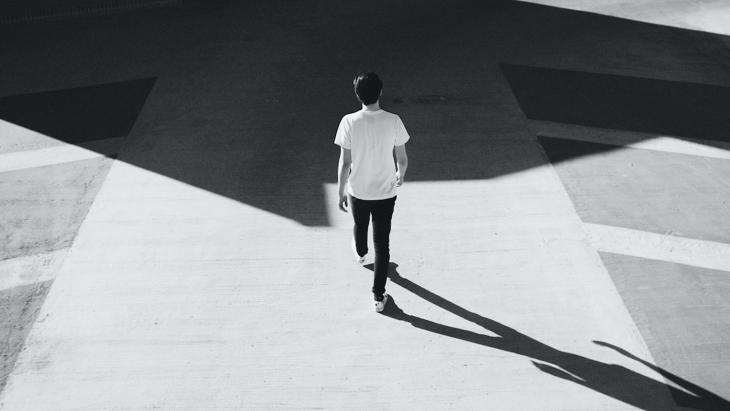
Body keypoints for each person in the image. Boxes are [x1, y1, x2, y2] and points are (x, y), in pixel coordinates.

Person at [334, 72, 410, 313]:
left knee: (360, 225)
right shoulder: (393, 120)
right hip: (386, 192)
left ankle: (360, 252)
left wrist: (340, 192)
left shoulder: (348, 121)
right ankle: (378, 297)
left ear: (358, 95)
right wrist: (401, 174)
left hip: (358, 189)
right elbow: (402, 159)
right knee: (383, 244)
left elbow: (345, 163)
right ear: (381, 92)